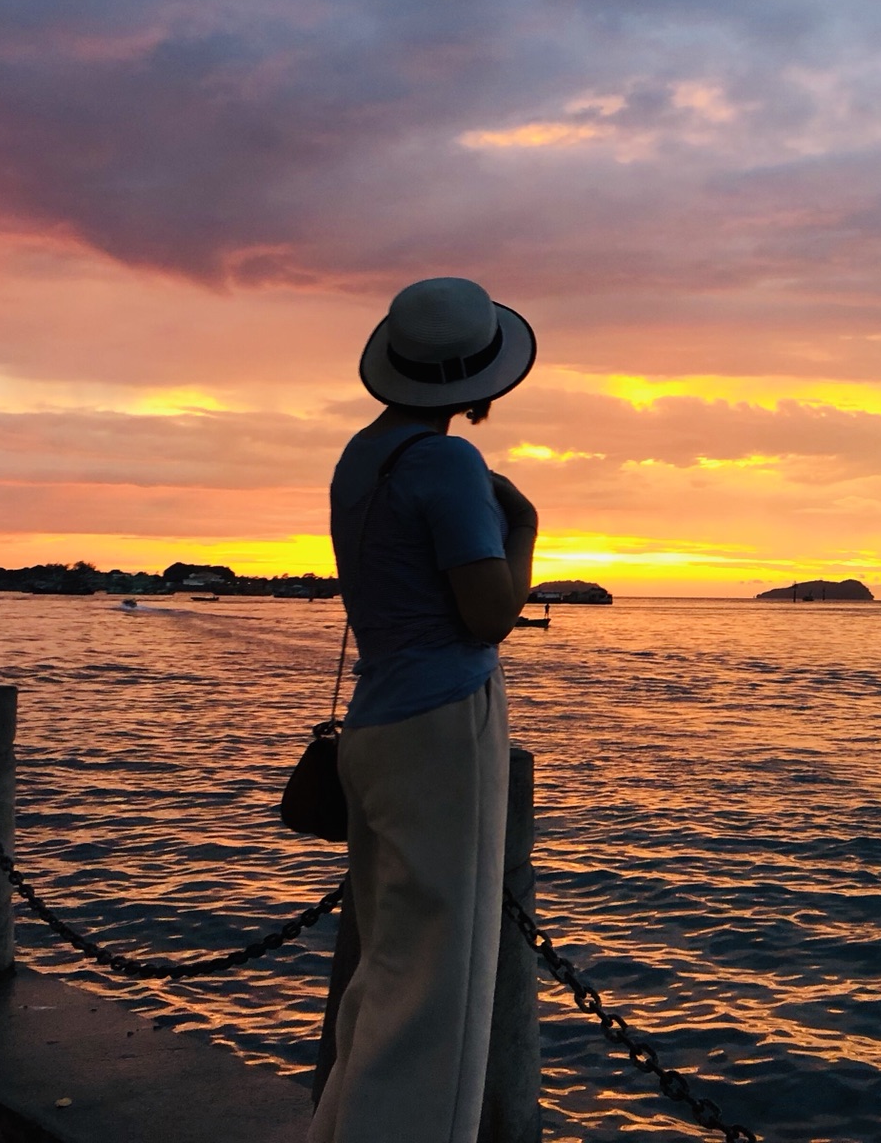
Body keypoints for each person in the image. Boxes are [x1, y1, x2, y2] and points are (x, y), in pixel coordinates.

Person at [310, 276, 540, 1143]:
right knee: (439, 983)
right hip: (443, 724)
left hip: (376, 719)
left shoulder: (360, 457)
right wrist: (524, 528)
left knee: (389, 964)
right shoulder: (448, 462)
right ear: (481, 380)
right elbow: (488, 615)